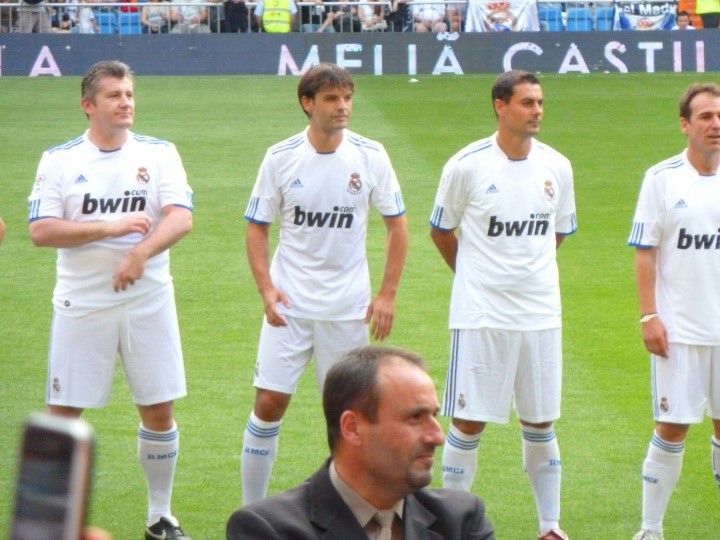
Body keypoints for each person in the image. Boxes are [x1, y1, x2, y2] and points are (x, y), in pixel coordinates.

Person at [27, 60, 194, 540]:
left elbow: (181, 217)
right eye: (114, 95)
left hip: (149, 301)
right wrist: (111, 227)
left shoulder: (159, 153)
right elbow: (41, 231)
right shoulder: (59, 160)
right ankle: (50, 525)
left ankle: (160, 516)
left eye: (129, 94)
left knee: (158, 409)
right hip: (82, 305)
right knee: (63, 416)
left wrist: (140, 252)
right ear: (88, 105)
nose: (125, 103)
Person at [241, 63, 409, 506]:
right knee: (269, 403)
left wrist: (387, 294)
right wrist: (266, 289)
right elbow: (257, 227)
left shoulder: (370, 155)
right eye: (332, 98)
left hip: (346, 309)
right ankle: (251, 511)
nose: (343, 107)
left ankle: (352, 510)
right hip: (289, 308)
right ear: (307, 103)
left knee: (349, 417)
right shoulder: (281, 157)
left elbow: (397, 225)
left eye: (347, 98)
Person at [429, 70, 576, 540]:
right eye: (527, 103)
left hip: (541, 314)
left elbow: (558, 232)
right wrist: (474, 275)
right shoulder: (466, 166)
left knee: (541, 420)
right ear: (500, 106)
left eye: (540, 102)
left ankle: (550, 526)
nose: (537, 111)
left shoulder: (557, 166)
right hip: (482, 316)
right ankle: (452, 526)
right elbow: (441, 229)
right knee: (468, 419)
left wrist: (526, 272)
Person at [227, 345, 495, 539]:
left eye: (434, 416)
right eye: (415, 418)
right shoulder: (269, 530)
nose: (437, 436)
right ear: (352, 428)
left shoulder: (460, 520)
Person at [628, 83, 720, 540]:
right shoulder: (661, 178)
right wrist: (649, 315)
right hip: (679, 329)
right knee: (671, 426)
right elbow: (644, 251)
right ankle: (650, 529)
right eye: (705, 116)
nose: (716, 124)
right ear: (685, 125)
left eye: (719, 116)